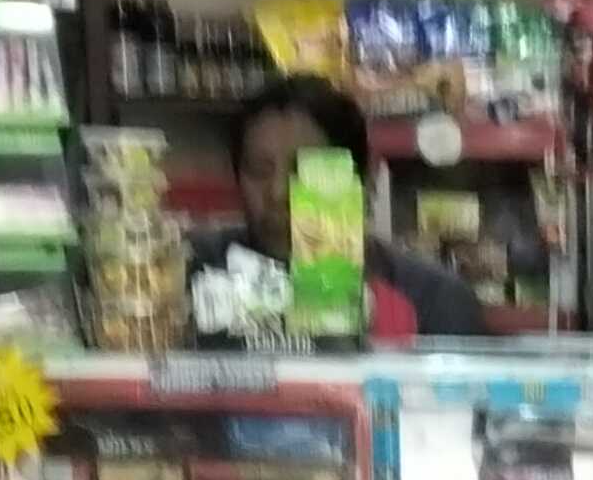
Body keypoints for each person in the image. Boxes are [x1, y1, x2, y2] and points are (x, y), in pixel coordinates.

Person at [203, 76, 485, 342]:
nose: (278, 192)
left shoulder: (434, 299)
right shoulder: (196, 274)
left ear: (360, 180)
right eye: (258, 170)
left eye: (302, 169)